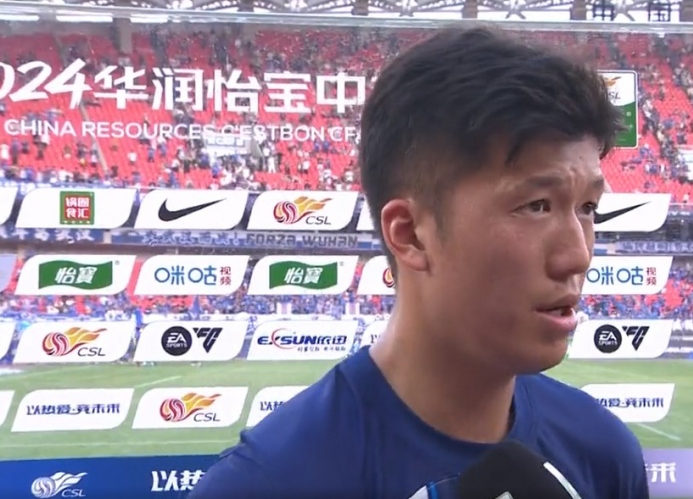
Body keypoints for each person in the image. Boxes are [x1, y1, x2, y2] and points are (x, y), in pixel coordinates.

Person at [189, 27, 649, 499]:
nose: (578, 255)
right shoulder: (266, 485)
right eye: (536, 206)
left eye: (587, 209)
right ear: (409, 234)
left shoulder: (603, 453)